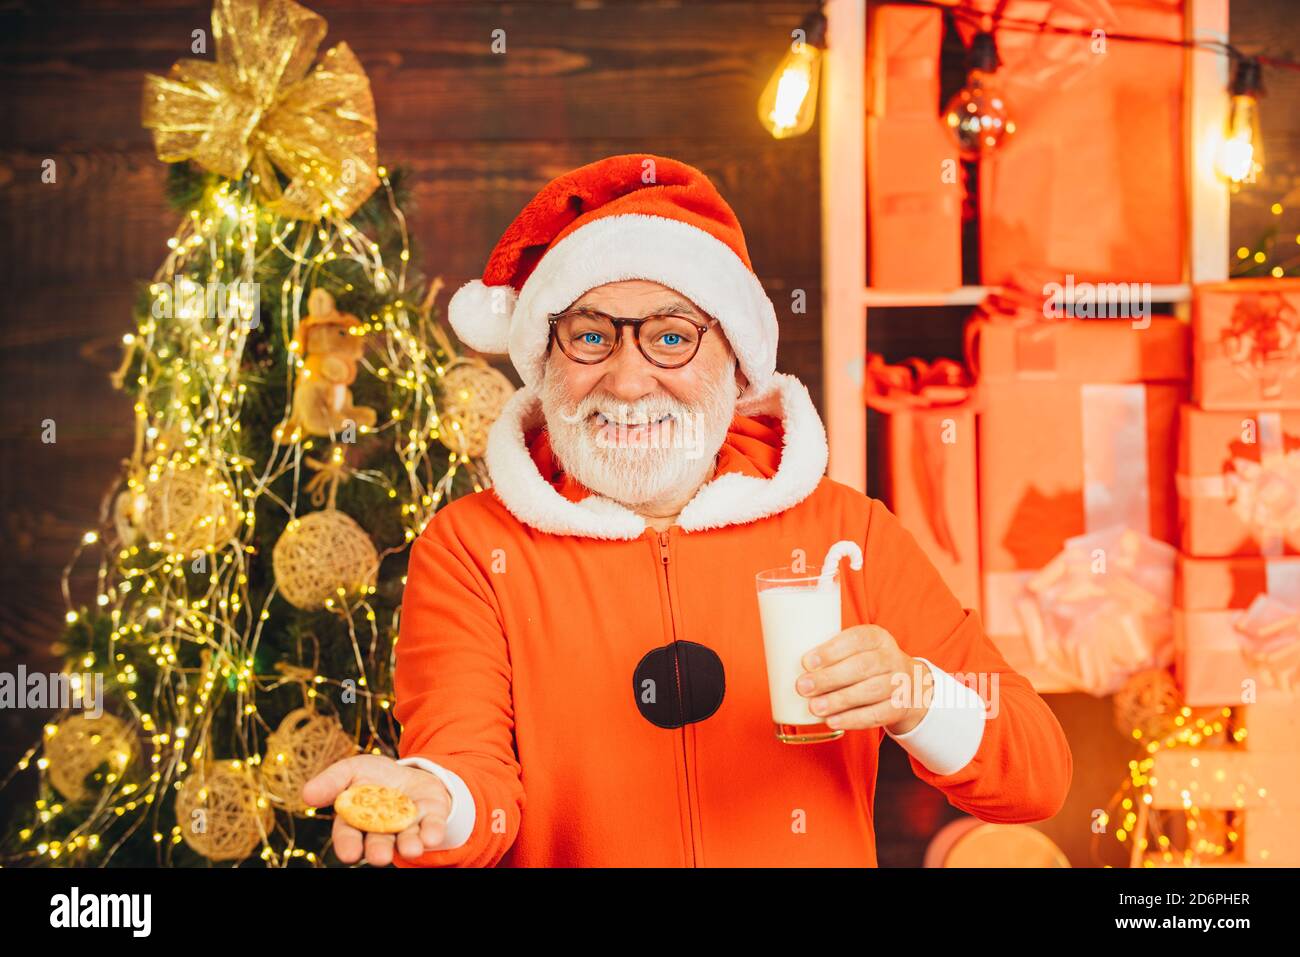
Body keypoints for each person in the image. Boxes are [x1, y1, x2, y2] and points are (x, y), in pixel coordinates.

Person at [302, 153, 1073, 867]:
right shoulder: (473, 548)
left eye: (672, 336)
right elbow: (474, 781)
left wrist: (915, 693)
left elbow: (1035, 776)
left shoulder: (845, 535)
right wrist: (441, 800)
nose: (630, 380)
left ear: (734, 364)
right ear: (544, 364)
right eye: (591, 336)